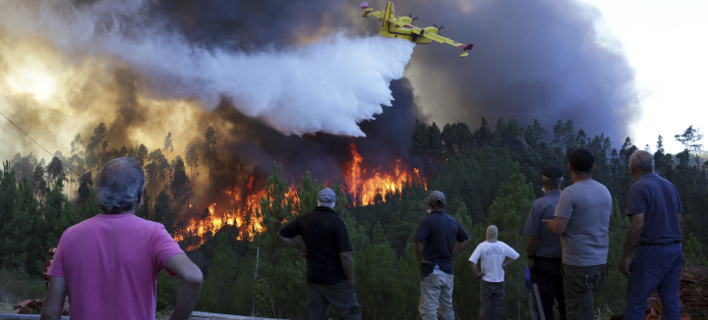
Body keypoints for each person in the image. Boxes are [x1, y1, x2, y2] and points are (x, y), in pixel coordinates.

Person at [41, 158, 203, 320]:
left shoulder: (70, 236)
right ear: (139, 195)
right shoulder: (153, 234)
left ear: (99, 195)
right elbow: (193, 277)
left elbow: (50, 314)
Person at [543, 147, 612, 320]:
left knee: (578, 313)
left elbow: (559, 229)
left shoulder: (570, 193)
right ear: (593, 167)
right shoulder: (604, 191)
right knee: (586, 307)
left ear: (570, 167)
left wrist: (550, 225)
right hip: (600, 263)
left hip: (578, 265)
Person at [620, 150, 686, 320]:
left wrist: (626, 256)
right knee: (671, 302)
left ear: (632, 167)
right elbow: (680, 222)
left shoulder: (638, 187)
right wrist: (680, 249)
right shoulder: (670, 186)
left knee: (636, 304)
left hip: (651, 254)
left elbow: (637, 224)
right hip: (674, 251)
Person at [278, 187, 361, 320]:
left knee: (314, 317)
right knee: (351, 315)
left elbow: (282, 234)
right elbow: (345, 256)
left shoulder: (305, 219)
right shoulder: (337, 222)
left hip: (314, 280)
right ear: (334, 202)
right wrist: (350, 279)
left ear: (318, 201)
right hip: (336, 281)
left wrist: (301, 246)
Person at [414, 190, 470, 320]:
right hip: (448, 273)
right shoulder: (453, 222)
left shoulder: (427, 222)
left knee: (428, 310)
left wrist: (420, 260)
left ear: (429, 205)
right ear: (444, 204)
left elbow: (418, 242)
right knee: (447, 309)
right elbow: (466, 240)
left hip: (432, 271)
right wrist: (452, 255)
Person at [524, 165, 567, 320]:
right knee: (566, 306)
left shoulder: (539, 205)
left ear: (543, 181)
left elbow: (532, 238)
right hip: (567, 262)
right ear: (561, 181)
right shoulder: (570, 202)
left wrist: (530, 257)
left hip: (543, 265)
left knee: (542, 308)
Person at [469, 225, 519, 320]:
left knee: (486, 307)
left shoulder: (482, 246)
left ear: (487, 234)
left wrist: (477, 274)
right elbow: (516, 256)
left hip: (486, 282)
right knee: (498, 307)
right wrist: (506, 264)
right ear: (496, 234)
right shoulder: (502, 245)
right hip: (499, 282)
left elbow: (472, 261)